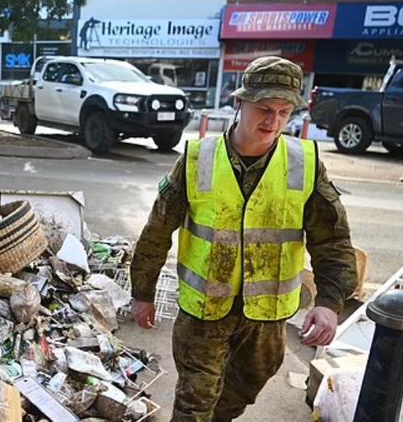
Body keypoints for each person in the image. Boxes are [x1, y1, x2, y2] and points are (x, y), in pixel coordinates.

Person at [130, 56, 358, 422]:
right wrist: (142, 293)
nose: (274, 121)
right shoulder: (196, 159)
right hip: (203, 313)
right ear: (240, 102)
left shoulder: (305, 163)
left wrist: (330, 302)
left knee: (240, 393)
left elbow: (332, 240)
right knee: (195, 403)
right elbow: (156, 231)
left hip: (266, 318)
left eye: (285, 111)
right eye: (264, 109)